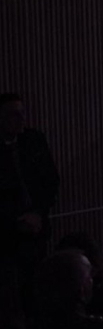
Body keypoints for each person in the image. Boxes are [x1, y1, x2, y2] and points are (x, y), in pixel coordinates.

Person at [0, 93, 60, 282]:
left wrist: (38, 213)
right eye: (14, 114)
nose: (21, 119)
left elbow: (51, 180)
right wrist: (16, 220)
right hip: (7, 232)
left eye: (22, 113)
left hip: (36, 228)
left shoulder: (33, 141)